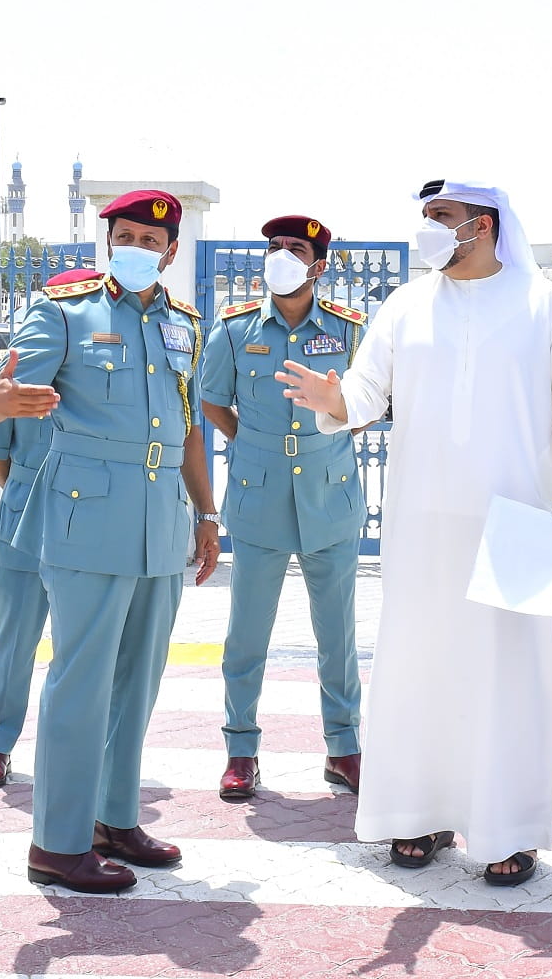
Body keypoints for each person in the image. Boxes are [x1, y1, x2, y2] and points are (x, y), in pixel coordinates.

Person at [279, 179, 552, 886]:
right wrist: (335, 400)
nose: (429, 229)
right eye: (425, 216)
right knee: (422, 666)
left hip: (518, 520)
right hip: (422, 521)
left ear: (482, 225)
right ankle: (417, 815)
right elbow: (364, 392)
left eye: (442, 217)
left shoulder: (543, 304)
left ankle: (509, 829)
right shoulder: (406, 304)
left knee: (514, 677)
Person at [0, 189, 223, 893]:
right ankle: (56, 843)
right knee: (79, 681)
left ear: (172, 250)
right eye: (126, 235)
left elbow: (190, 431)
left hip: (162, 518)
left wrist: (207, 515)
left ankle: (115, 817)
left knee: (139, 679)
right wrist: (0, 401)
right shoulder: (64, 309)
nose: (139, 247)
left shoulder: (185, 323)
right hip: (87, 515)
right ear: (105, 239)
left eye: (152, 239)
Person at [201, 214, 365, 800]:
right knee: (246, 633)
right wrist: (249, 441)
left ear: (318, 266)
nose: (281, 256)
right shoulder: (235, 329)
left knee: (337, 635)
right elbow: (213, 400)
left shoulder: (349, 331)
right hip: (259, 497)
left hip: (330, 497)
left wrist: (336, 412)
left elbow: (373, 403)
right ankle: (240, 750)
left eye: (295, 249)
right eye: (273, 248)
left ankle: (343, 747)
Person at [0, 266, 98, 788]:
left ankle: (78, 749)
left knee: (83, 642)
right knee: (14, 635)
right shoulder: (17, 387)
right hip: (25, 515)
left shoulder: (98, 393)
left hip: (89, 518)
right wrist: (30, 494)